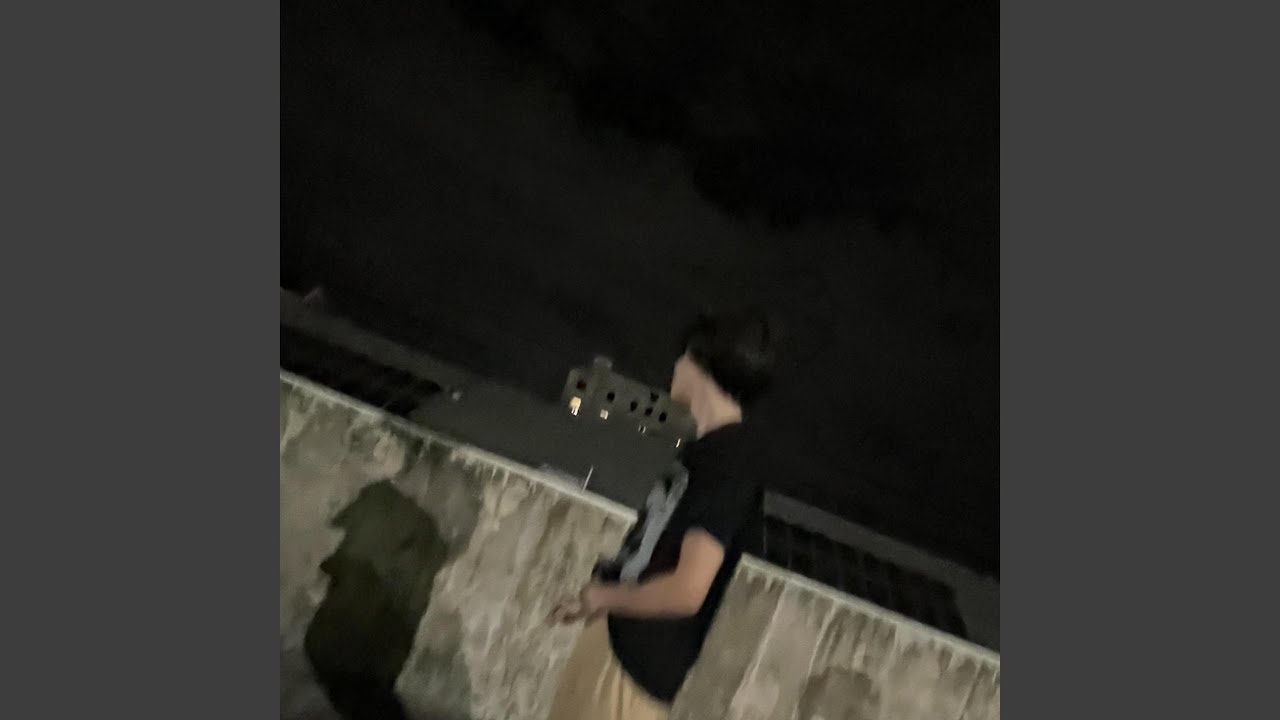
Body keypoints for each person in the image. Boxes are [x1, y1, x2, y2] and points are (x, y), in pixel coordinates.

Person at [547, 308, 778, 719]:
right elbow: (654, 555)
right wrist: (599, 597)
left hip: (632, 673)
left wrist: (604, 596)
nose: (675, 366)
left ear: (700, 363)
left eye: (683, 356)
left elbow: (688, 589)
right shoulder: (707, 453)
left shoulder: (729, 465)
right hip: (616, 647)